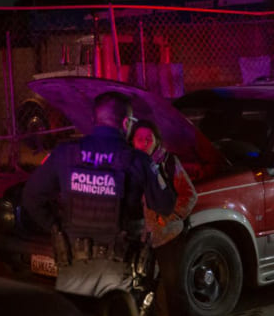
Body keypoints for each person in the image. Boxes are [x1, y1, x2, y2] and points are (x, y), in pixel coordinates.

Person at [21, 91, 176, 301]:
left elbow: (31, 196)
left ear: (95, 120)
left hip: (73, 267)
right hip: (118, 269)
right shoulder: (138, 160)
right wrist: (158, 169)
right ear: (125, 123)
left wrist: (56, 227)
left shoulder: (65, 153)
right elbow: (165, 205)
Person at [130, 120, 203, 316]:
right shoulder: (129, 166)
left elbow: (189, 194)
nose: (144, 142)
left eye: (149, 138)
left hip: (169, 236)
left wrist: (169, 217)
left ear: (157, 140)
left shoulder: (168, 163)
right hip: (142, 239)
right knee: (143, 292)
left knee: (175, 289)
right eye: (139, 138)